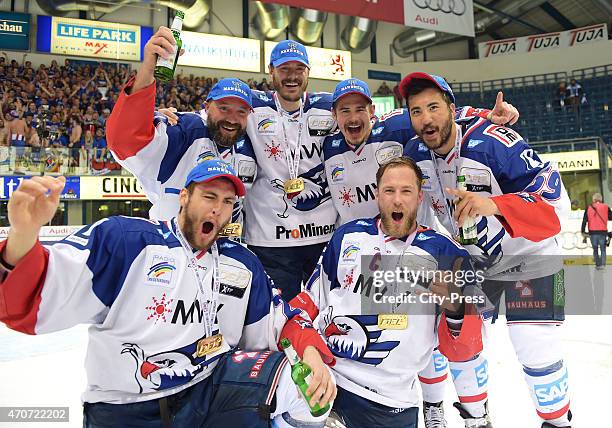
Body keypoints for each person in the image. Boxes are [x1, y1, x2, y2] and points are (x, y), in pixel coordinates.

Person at [0, 159, 335, 427]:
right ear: (185, 197)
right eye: (209, 197)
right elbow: (38, 294)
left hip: (208, 389)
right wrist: (23, 238)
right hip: (126, 406)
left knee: (305, 388)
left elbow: (279, 323)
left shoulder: (241, 263)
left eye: (228, 202)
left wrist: (308, 353)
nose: (218, 209)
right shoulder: (128, 241)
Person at [401, 72, 572, 428]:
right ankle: (476, 419)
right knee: (458, 337)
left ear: (450, 109)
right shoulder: (415, 151)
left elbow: (556, 206)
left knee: (533, 341)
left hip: (529, 255)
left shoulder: (494, 143)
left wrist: (494, 205)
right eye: (416, 111)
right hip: (474, 261)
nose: (426, 119)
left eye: (433, 107)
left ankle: (557, 422)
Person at [283, 157, 484, 428]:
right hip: (330, 381)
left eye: (406, 191)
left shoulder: (446, 252)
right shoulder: (347, 237)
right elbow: (305, 305)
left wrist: (456, 308)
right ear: (377, 194)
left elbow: (465, 349)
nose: (397, 200)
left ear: (419, 197)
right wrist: (303, 344)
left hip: (393, 402)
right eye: (389, 191)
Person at [107, 26, 256, 221]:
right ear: (206, 106)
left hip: (228, 248)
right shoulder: (184, 130)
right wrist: (148, 70)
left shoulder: (252, 142)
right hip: (173, 249)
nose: (232, 118)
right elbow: (124, 140)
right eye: (224, 108)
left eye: (241, 112)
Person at [241, 40, 339, 301]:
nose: (292, 76)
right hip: (271, 242)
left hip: (323, 238)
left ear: (308, 72)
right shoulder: (252, 106)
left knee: (332, 313)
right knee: (279, 320)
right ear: (270, 70)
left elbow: (367, 123)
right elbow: (216, 114)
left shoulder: (329, 108)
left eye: (299, 68)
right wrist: (167, 114)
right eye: (285, 69)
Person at [581, 193, 611, 270]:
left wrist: (583, 231)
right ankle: (603, 265)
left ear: (593, 200)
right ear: (601, 199)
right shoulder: (606, 207)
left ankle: (598, 265)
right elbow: (611, 217)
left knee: (595, 249)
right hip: (603, 232)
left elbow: (584, 221)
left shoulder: (588, 208)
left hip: (592, 232)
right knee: (603, 249)